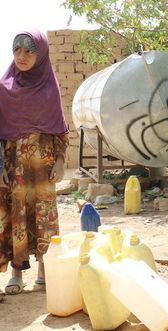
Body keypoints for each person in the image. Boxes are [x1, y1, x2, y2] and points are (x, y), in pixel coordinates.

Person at [0, 29, 69, 295]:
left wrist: (61, 161)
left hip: (44, 167)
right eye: (17, 49)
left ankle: (44, 271)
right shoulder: (4, 88)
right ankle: (16, 273)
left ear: (41, 55)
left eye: (29, 50)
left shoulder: (50, 87)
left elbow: (60, 131)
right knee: (15, 215)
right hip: (13, 166)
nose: (22, 56)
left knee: (45, 217)